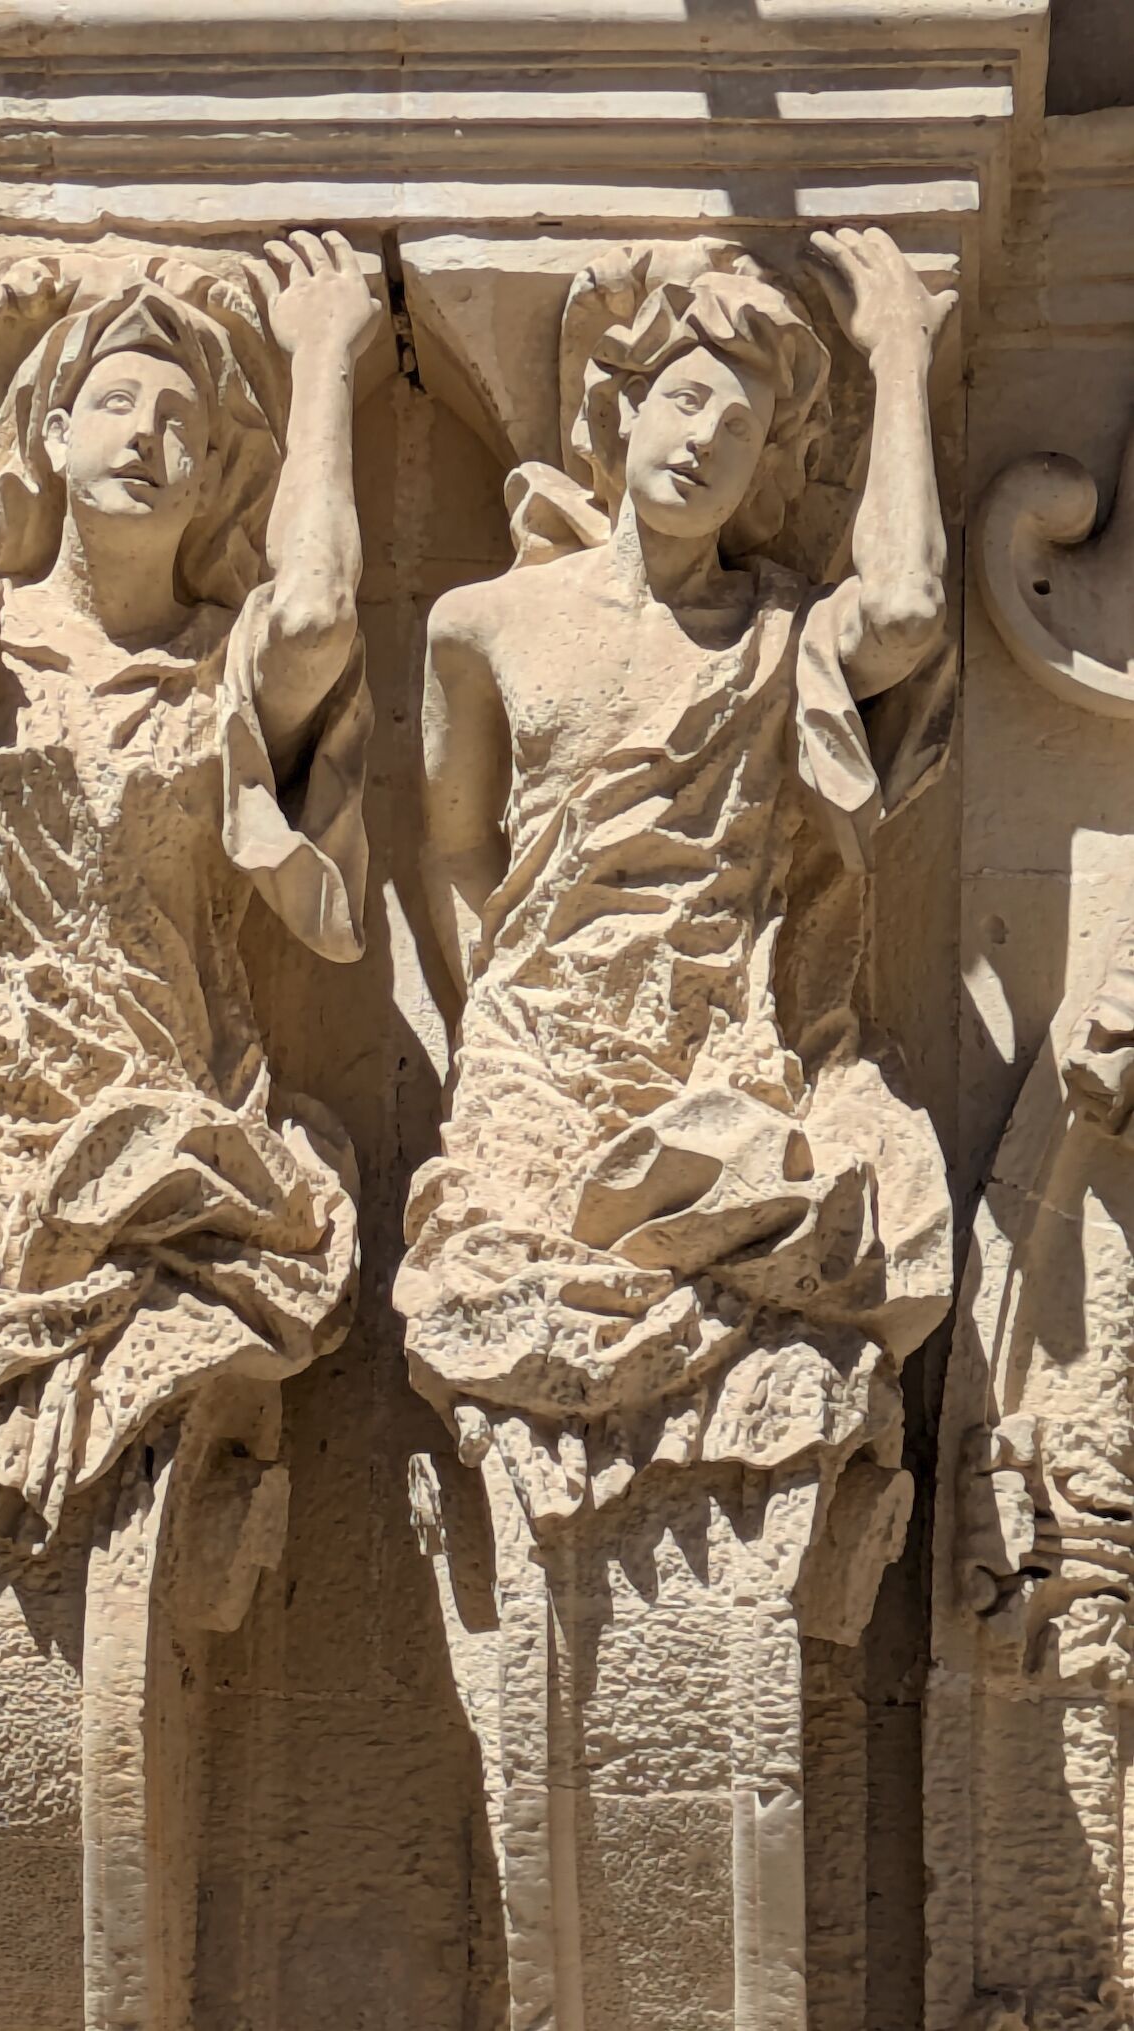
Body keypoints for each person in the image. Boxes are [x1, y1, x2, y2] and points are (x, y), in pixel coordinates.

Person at [0, 223, 380, 1548]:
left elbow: (320, 612)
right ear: (48, 433)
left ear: (220, 472)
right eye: (113, 402)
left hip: (157, 1102)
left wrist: (326, 359)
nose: (145, 434)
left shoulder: (225, 666)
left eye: (182, 420)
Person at [396, 228, 955, 1519]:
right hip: (539, 1048)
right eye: (686, 398)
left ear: (768, 470)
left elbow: (908, 611)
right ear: (620, 405)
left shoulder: (774, 632)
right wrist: (497, 1005)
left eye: (744, 428)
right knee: (501, 1307)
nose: (705, 439)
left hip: (710, 1045)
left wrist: (901, 351)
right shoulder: (481, 626)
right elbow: (456, 843)